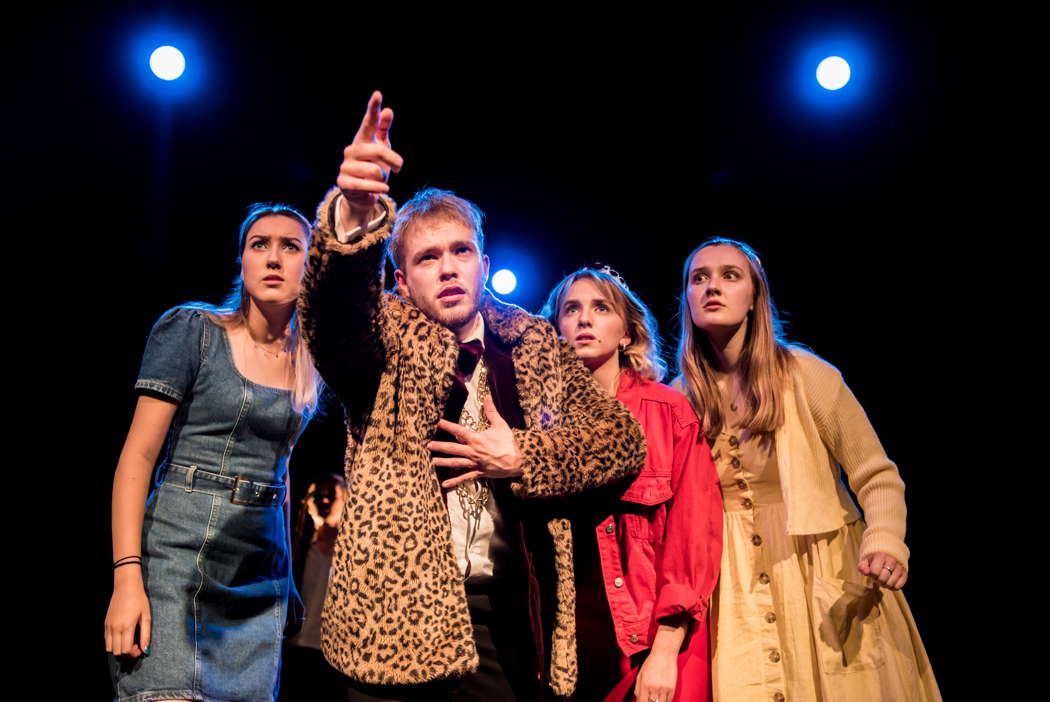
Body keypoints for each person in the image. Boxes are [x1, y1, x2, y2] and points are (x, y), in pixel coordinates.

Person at [296, 92, 647, 701]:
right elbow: (332, 319)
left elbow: (623, 443)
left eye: (460, 251)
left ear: (484, 262)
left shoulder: (534, 342)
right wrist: (353, 219)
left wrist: (525, 458)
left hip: (507, 619)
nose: (449, 267)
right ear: (401, 279)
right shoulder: (381, 338)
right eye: (428, 258)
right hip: (394, 626)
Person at [674, 237, 941, 701]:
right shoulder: (679, 397)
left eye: (729, 276)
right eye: (700, 278)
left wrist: (886, 541)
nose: (712, 287)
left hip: (824, 568)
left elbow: (875, 474)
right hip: (733, 582)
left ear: (755, 297)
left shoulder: (804, 374)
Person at [105, 203, 322, 702]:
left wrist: (287, 575)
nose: (273, 258)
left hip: (256, 578)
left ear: (311, 268)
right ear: (241, 262)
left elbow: (280, 468)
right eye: (259, 245)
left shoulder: (308, 363)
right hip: (175, 563)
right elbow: (137, 458)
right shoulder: (195, 330)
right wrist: (126, 579)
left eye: (291, 247)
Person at [543, 267, 722, 702]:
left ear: (627, 333)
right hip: (561, 645)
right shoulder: (539, 422)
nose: (584, 320)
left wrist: (664, 652)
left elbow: (692, 538)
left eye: (601, 308)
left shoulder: (668, 413)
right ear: (554, 330)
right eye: (572, 309)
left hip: (644, 643)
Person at [280, 473, 350, 702]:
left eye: (332, 495)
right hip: (292, 650)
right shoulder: (293, 547)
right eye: (318, 495)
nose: (325, 500)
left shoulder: (353, 554)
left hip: (332, 656)